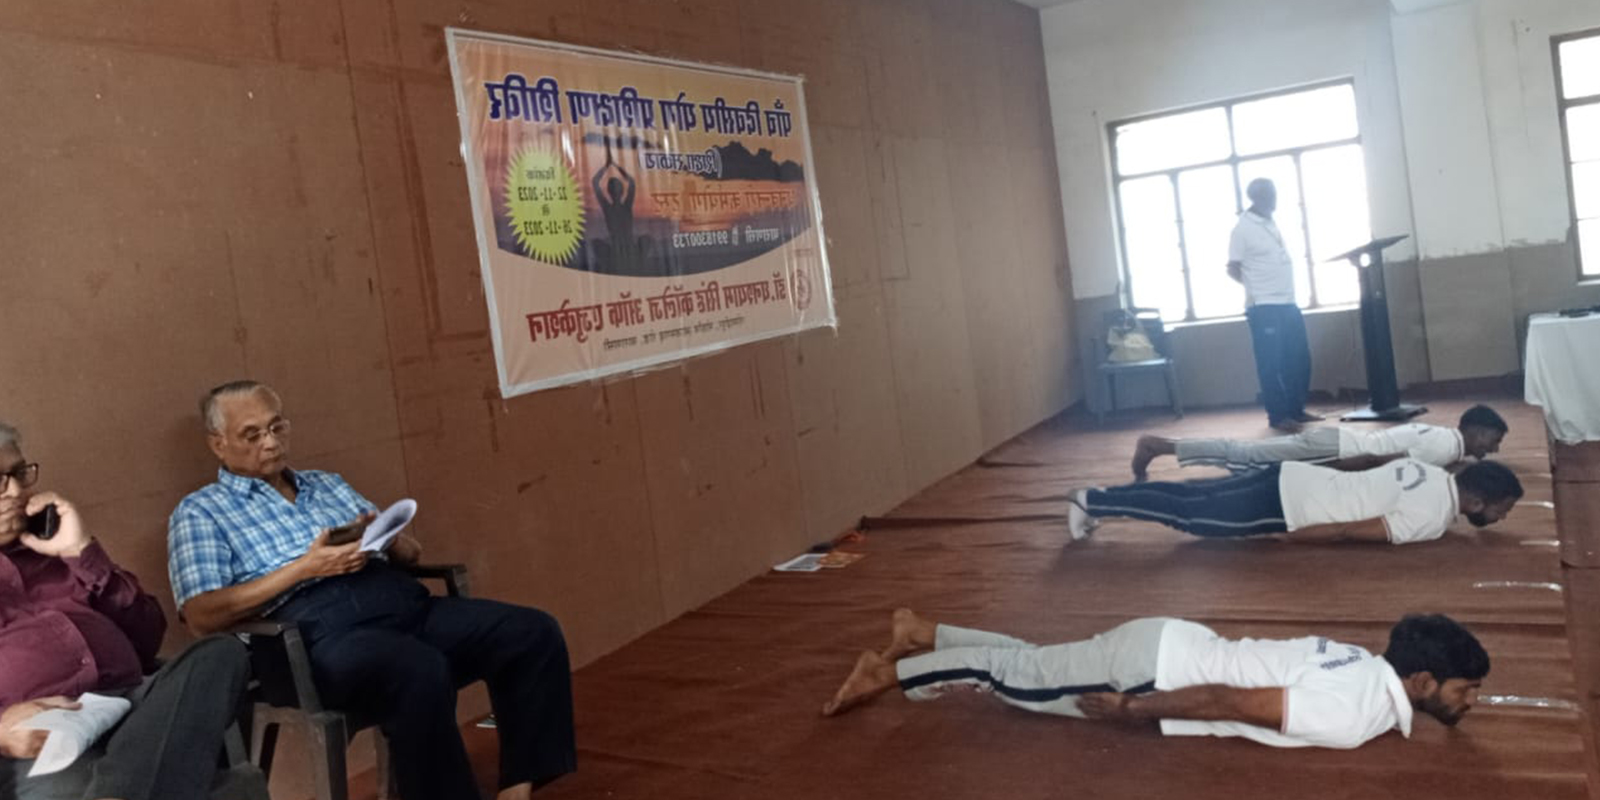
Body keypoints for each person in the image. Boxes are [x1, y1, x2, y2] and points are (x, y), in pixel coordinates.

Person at [167, 381, 576, 800]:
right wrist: (304, 568)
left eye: (276, 427)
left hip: (396, 601)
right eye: (252, 435)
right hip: (313, 637)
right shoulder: (201, 511)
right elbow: (200, 616)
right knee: (418, 669)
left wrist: (387, 535)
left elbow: (411, 554)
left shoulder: (325, 484)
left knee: (531, 632)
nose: (270, 443)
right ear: (218, 444)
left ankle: (516, 788)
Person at [0, 421, 265, 800]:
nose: (15, 491)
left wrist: (81, 551)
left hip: (133, 710)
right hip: (43, 740)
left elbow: (148, 636)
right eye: (0, 481)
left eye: (19, 473)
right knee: (229, 788)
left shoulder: (58, 548)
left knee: (221, 652)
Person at [822, 608, 1487, 751]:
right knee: (1015, 680)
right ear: (1422, 681)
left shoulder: (1362, 661)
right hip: (1149, 672)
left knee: (1039, 662)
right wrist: (1133, 710)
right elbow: (1229, 701)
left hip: (1171, 643)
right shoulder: (1352, 713)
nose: (1473, 700)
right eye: (1465, 688)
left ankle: (924, 635)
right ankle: (887, 671)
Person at [1067, 458, 1522, 544]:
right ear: (1477, 501)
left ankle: (1099, 498)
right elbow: (1350, 529)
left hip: (1292, 475)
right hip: (1289, 506)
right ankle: (1094, 502)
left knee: (1191, 494)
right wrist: (1297, 536)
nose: (1502, 518)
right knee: (1191, 516)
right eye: (1503, 509)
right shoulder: (1432, 519)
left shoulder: (1430, 470)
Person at [1129, 404, 1510, 481]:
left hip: (1337, 443)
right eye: (1492, 441)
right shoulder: (1445, 448)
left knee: (1244, 455)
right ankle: (1158, 445)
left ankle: (1162, 446)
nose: (1493, 449)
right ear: (1475, 430)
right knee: (1243, 454)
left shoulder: (1445, 439)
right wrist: (1324, 472)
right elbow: (1381, 462)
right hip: (1335, 452)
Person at [1229, 178, 1316, 432]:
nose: (1273, 198)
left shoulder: (1270, 223)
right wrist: (1256, 288)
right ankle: (1278, 416)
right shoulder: (1242, 229)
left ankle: (1296, 410)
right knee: (1271, 363)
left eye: (1274, 193)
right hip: (1264, 306)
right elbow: (1232, 268)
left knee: (1299, 358)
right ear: (1256, 197)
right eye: (1268, 194)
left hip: (1288, 302)